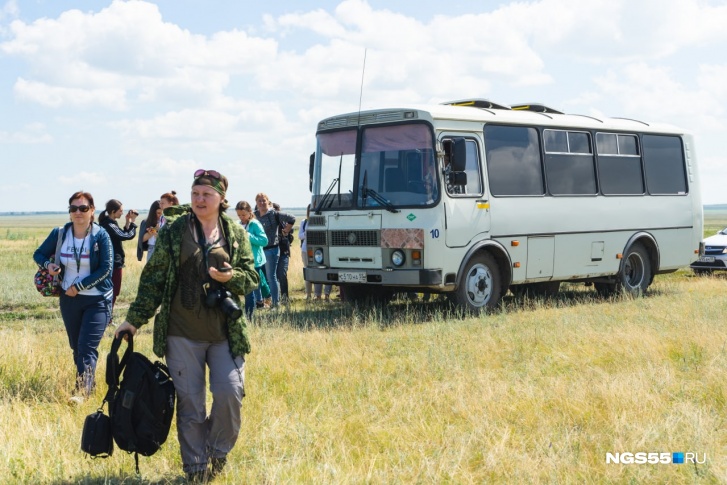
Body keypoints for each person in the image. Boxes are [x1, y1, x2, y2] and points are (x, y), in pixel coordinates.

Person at [114, 170, 258, 481]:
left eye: (206, 194)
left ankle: (217, 452)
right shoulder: (174, 231)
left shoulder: (234, 232)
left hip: (225, 335)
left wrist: (231, 278)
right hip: (181, 333)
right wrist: (133, 321)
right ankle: (196, 468)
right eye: (195, 194)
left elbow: (252, 277)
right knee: (191, 404)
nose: (199, 200)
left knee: (230, 395)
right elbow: (153, 280)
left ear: (221, 199)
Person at [33, 191, 113, 402]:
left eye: (83, 208)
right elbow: (38, 254)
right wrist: (48, 265)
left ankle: (81, 393)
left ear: (92, 211)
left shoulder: (101, 235)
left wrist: (79, 286)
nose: (78, 212)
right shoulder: (60, 234)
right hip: (69, 299)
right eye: (74, 208)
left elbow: (106, 269)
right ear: (69, 212)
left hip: (97, 298)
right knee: (76, 346)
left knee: (86, 347)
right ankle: (88, 383)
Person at [254, 193, 294, 308]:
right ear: (256, 203)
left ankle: (275, 304)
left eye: (264, 200)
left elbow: (291, 218)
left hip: (272, 250)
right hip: (258, 251)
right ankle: (260, 302)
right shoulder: (255, 215)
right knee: (258, 277)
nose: (261, 203)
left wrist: (286, 231)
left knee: (271, 277)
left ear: (268, 201)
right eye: (259, 201)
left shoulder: (274, 214)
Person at [98, 199, 138, 309]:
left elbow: (122, 233)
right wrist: (133, 221)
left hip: (108, 262)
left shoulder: (107, 223)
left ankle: (107, 316)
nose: (122, 213)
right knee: (113, 291)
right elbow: (126, 236)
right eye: (120, 211)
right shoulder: (109, 225)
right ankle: (107, 317)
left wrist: (128, 221)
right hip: (113, 263)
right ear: (113, 211)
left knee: (109, 291)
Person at [235, 200, 270, 318]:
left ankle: (249, 316)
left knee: (249, 290)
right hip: (242, 262)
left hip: (254, 262)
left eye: (243, 215)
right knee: (247, 290)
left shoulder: (255, 224)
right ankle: (249, 314)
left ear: (250, 212)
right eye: (239, 215)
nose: (241, 217)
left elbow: (264, 241)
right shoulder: (238, 224)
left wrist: (248, 235)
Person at [299, 205, 331, 301]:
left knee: (326, 271)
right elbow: (300, 236)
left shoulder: (323, 220)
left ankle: (327, 295)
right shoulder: (304, 222)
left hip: (322, 249)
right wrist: (308, 233)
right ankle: (313, 295)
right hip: (306, 250)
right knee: (309, 272)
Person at [272, 202, 294, 303]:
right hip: (271, 253)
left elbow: (290, 235)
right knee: (273, 276)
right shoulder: (268, 223)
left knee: (281, 274)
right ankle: (274, 299)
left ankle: (284, 298)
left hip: (283, 252)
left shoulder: (284, 223)